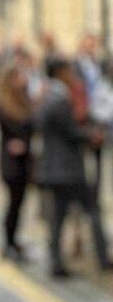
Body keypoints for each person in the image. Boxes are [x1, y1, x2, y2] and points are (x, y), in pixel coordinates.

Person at [35, 57, 111, 277]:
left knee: (58, 217)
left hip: (55, 169)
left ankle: (56, 262)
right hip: (67, 169)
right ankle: (102, 257)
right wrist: (91, 136)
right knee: (92, 210)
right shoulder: (58, 99)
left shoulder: (47, 96)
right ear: (59, 72)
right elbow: (70, 131)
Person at [0, 64, 34, 262]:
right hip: (11, 162)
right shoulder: (4, 105)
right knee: (13, 203)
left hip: (24, 159)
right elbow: (12, 132)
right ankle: (8, 242)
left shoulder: (24, 100)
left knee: (19, 203)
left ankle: (13, 240)